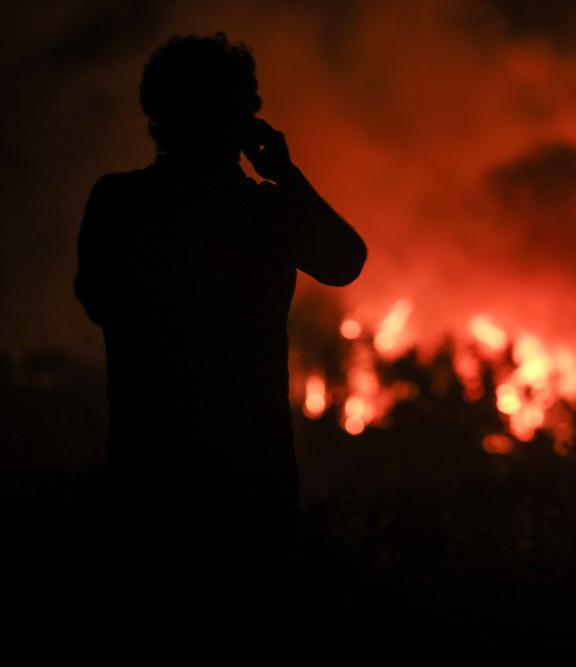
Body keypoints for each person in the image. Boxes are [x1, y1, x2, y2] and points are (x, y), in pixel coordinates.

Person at [74, 33, 366, 633]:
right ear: (244, 117)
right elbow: (344, 260)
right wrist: (286, 176)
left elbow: (98, 299)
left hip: (150, 473)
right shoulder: (264, 212)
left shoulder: (121, 203)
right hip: (249, 479)